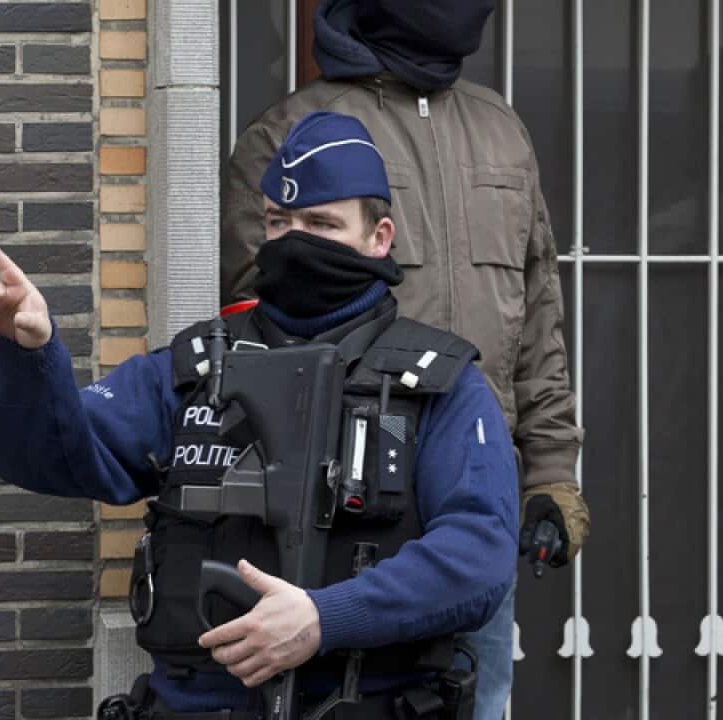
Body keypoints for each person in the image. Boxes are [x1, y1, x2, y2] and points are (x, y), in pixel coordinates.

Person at [0, 111, 518, 717]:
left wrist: (325, 617)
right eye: (279, 222)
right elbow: (57, 456)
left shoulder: (440, 385)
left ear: (380, 238)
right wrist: (27, 355)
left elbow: (479, 555)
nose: (295, 241)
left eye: (321, 224)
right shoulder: (193, 367)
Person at [220, 4, 590, 717]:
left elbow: (537, 321)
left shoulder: (499, 131)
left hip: (471, 506)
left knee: (478, 701)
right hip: (342, 515)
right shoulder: (294, 132)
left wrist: (551, 473)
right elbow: (256, 335)